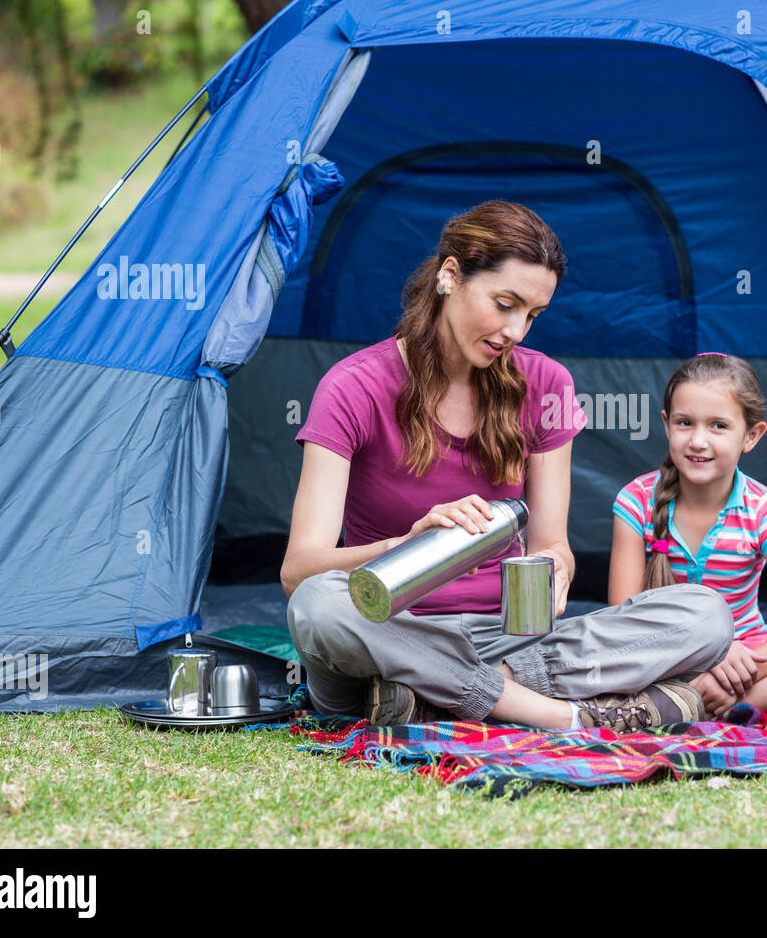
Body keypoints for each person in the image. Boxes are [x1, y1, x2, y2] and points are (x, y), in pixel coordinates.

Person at [281, 201, 732, 734]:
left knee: (704, 614)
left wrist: (556, 568)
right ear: (450, 275)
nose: (516, 330)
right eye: (504, 304)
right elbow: (297, 572)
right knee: (319, 605)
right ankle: (550, 712)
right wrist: (405, 543)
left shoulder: (547, 385)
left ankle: (434, 699)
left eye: (533, 315)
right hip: (387, 629)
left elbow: (550, 543)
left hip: (506, 637)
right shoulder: (353, 387)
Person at [608, 353, 767, 719]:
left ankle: (711, 704)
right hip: (661, 661)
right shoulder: (635, 502)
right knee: (605, 660)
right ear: (667, 425)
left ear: (751, 435)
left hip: (745, 667)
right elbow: (621, 621)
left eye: (718, 426)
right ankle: (705, 705)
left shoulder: (764, 510)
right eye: (685, 423)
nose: (698, 441)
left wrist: (733, 672)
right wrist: (709, 654)